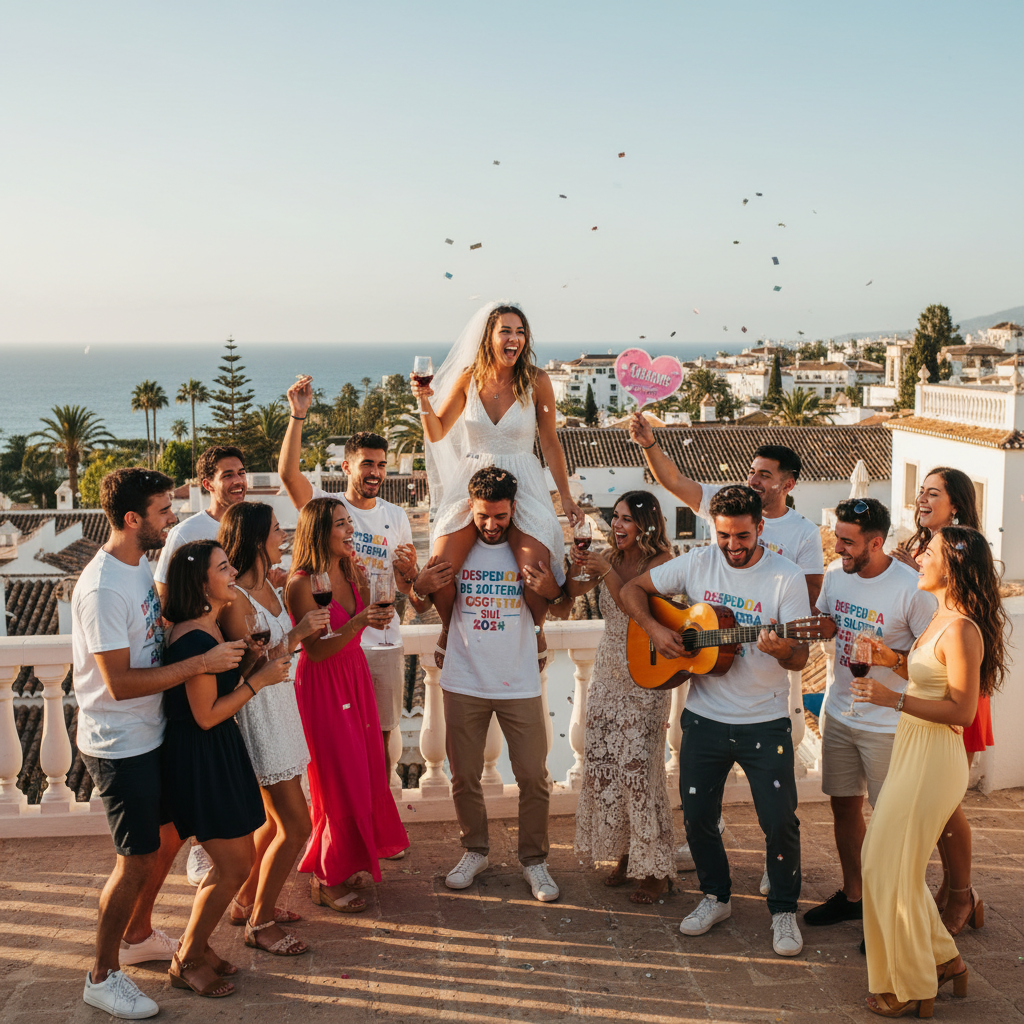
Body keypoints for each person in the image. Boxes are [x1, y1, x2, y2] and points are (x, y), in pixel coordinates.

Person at [72, 468, 246, 1019]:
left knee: (165, 843)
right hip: (119, 743)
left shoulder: (138, 567)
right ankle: (102, 976)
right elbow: (118, 682)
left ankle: (140, 935)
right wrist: (202, 662)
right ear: (132, 519)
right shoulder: (102, 588)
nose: (172, 518)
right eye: (163, 511)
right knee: (136, 859)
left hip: (153, 734)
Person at [630, 414, 823, 880]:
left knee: (776, 815)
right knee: (698, 808)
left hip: (765, 686)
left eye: (764, 474)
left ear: (787, 485)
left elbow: (806, 610)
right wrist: (649, 443)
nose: (752, 479)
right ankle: (714, 880)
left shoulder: (800, 538)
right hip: (709, 693)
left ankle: (777, 882)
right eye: (752, 471)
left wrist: (779, 637)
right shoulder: (719, 523)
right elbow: (674, 481)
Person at [620, 485, 810, 957]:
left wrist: (782, 646)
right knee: (699, 817)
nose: (733, 546)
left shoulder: (785, 578)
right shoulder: (699, 562)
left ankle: (784, 910)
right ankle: (716, 896)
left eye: (742, 535)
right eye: (724, 535)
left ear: (760, 526)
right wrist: (657, 629)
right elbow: (631, 590)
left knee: (779, 821)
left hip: (764, 721)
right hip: (703, 718)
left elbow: (801, 653)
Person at [854, 527, 1007, 1017]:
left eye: (930, 553)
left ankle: (914, 981)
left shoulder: (963, 629)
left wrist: (891, 698)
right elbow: (931, 678)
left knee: (887, 864)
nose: (918, 556)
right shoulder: (940, 616)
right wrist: (893, 662)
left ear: (953, 566)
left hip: (935, 760)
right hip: (912, 751)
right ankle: (943, 961)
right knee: (884, 862)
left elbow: (962, 712)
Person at [414, 466, 573, 901]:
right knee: (463, 776)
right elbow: (420, 599)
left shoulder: (530, 553)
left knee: (534, 778)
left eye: (500, 515)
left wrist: (553, 589)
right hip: (464, 676)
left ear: (513, 509)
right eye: (483, 515)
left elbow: (560, 608)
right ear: (471, 507)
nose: (491, 524)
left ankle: (535, 861)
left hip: (519, 679)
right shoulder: (456, 553)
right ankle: (474, 850)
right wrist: (417, 584)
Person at [279, 389, 436, 808]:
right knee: (335, 744)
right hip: (338, 648)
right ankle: (336, 824)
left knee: (380, 740)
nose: (376, 472)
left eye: (382, 464)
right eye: (367, 463)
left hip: (383, 642)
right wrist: (298, 416)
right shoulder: (326, 510)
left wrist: (410, 575)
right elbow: (288, 476)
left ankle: (373, 820)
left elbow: (408, 591)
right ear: (346, 465)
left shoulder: (396, 516)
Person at [412, 302, 583, 667]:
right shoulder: (467, 378)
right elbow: (437, 431)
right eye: (506, 331)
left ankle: (536, 631)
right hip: (472, 483)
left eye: (520, 332)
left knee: (536, 565)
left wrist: (564, 497)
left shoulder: (538, 381)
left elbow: (550, 441)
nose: (514, 338)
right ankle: (448, 626)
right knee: (440, 563)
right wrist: (423, 401)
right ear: (488, 336)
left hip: (523, 482)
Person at [160, 540, 291, 997]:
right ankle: (188, 958)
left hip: (216, 751)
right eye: (223, 567)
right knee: (235, 863)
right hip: (201, 756)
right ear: (201, 583)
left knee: (233, 862)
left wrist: (252, 658)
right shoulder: (195, 638)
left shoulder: (210, 627)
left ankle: (199, 946)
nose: (233, 571)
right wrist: (258, 681)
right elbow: (206, 714)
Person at [803, 498, 936, 931]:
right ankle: (855, 896)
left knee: (892, 824)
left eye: (847, 541)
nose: (837, 547)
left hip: (889, 724)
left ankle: (892, 916)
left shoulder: (911, 589)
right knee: (844, 809)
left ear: (876, 543)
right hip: (839, 714)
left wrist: (890, 657)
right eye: (837, 538)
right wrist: (817, 625)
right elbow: (825, 620)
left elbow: (930, 661)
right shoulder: (834, 576)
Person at [217, 502, 332, 954]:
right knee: (297, 825)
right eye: (276, 529)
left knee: (275, 821)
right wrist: (300, 632)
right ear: (255, 539)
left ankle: (246, 900)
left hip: (284, 706)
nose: (283, 534)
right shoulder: (235, 600)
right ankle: (260, 922)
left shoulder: (269, 583)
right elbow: (252, 664)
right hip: (260, 713)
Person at [285, 497, 409, 911]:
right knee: (336, 776)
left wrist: (374, 617)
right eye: (341, 524)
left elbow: (361, 623)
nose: (350, 530)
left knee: (365, 767)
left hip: (353, 673)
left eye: (348, 522)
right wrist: (358, 623)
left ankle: (349, 858)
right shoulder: (302, 583)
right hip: (323, 682)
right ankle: (327, 876)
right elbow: (315, 652)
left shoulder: (349, 568)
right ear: (319, 531)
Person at [893, 466, 989, 936]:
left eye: (934, 493)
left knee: (948, 803)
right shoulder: (920, 550)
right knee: (936, 804)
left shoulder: (964, 550)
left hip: (954, 687)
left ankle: (961, 896)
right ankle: (953, 890)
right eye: (921, 491)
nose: (922, 499)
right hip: (924, 679)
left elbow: (969, 624)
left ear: (956, 505)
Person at [568, 491, 677, 904]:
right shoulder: (609, 557)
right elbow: (575, 595)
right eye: (614, 517)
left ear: (646, 523)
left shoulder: (663, 562)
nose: (617, 525)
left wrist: (606, 572)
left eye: (626, 519)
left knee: (639, 768)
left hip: (645, 674)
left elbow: (635, 609)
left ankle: (656, 869)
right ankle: (628, 854)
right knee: (606, 766)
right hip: (608, 670)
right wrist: (578, 570)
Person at [153, 443, 249, 887]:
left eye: (241, 472)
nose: (237, 481)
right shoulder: (187, 532)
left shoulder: (245, 524)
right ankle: (203, 849)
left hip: (223, 648)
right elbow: (167, 592)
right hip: (204, 654)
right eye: (227, 474)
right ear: (208, 483)